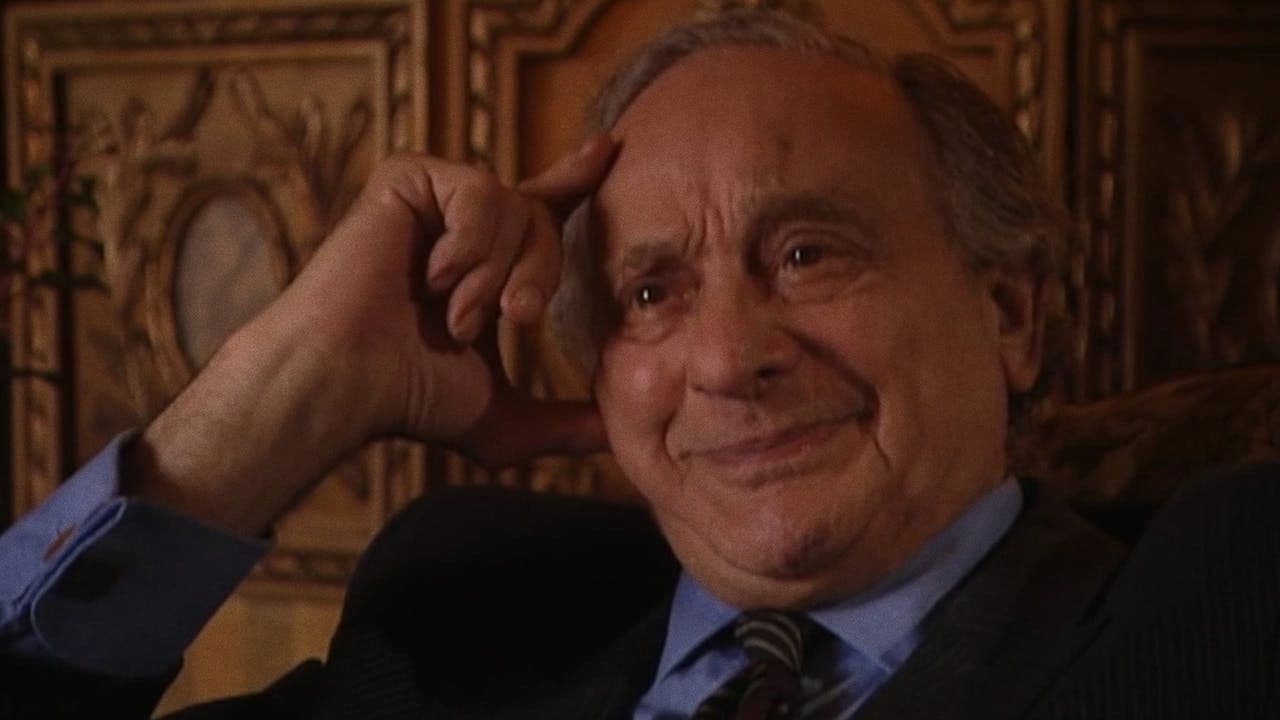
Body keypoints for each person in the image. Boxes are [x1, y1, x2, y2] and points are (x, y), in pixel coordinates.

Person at [2, 9, 1278, 720]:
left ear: (1009, 313)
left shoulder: (1218, 604)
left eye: (806, 255)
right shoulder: (462, 615)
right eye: (650, 293)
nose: (725, 359)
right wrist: (282, 393)